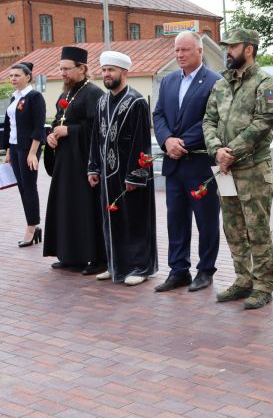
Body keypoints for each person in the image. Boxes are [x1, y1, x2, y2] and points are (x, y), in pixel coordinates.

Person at [203, 28, 273, 309]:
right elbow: (208, 120)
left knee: (256, 228)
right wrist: (216, 150)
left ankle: (263, 285)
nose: (228, 52)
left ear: (249, 49)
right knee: (233, 227)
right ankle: (242, 280)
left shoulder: (265, 83)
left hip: (253, 169)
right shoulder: (221, 84)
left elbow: (263, 123)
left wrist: (231, 151)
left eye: (232, 47)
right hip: (225, 170)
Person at [153, 32, 222, 292]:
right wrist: (167, 140)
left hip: (200, 164)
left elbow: (212, 120)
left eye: (185, 50)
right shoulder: (169, 81)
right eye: (177, 50)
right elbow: (158, 114)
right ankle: (178, 269)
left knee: (206, 220)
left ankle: (205, 270)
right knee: (176, 219)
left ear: (200, 51)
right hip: (174, 164)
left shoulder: (215, 81)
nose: (180, 55)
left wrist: (182, 143)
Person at [88, 51, 158, 286]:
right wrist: (93, 167)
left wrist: (136, 176)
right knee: (110, 219)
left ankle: (139, 267)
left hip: (129, 174)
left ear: (124, 73)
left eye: (112, 70)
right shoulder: (101, 102)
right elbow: (95, 139)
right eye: (104, 70)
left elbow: (142, 142)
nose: (107, 75)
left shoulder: (136, 102)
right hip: (107, 176)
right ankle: (114, 264)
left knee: (134, 220)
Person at [44, 46, 107, 274]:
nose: (62, 73)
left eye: (66, 69)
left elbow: (98, 129)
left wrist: (69, 132)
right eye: (60, 68)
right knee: (66, 209)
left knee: (85, 211)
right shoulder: (65, 94)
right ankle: (70, 256)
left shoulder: (93, 93)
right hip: (65, 163)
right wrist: (51, 135)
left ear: (82, 68)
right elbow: (58, 121)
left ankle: (95, 259)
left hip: (83, 163)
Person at [3, 61, 45, 247]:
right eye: (11, 76)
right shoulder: (14, 97)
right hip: (15, 148)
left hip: (28, 149)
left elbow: (38, 127)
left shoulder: (34, 97)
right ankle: (33, 225)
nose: (13, 78)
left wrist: (32, 153)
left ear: (28, 77)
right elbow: (11, 126)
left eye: (17, 75)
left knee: (29, 188)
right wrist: (9, 151)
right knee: (22, 189)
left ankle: (31, 227)